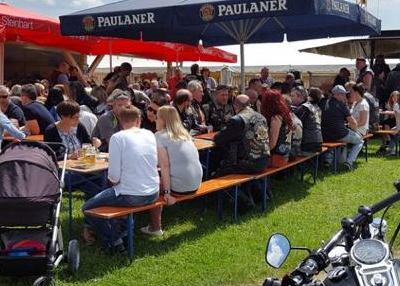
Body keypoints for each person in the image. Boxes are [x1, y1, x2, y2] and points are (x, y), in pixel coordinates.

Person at [82, 105, 160, 253]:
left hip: (133, 195)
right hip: (154, 192)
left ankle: (114, 240)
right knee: (117, 196)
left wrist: (114, 185)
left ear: (120, 120)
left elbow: (114, 176)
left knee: (87, 208)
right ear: (138, 119)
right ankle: (123, 234)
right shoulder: (149, 134)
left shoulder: (118, 138)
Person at [141, 105, 203, 236]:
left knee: (152, 183)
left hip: (181, 187)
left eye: (157, 118)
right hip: (196, 183)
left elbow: (164, 166)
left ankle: (155, 227)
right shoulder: (184, 134)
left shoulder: (159, 136)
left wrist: (167, 192)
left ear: (164, 120)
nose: (155, 120)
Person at [43, 101, 104, 199]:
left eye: (78, 117)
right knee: (94, 186)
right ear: (63, 116)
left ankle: (99, 205)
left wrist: (96, 144)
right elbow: (50, 156)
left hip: (82, 167)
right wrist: (69, 156)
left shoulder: (79, 127)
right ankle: (93, 206)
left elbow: (88, 144)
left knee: (102, 180)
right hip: (62, 171)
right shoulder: (51, 131)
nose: (77, 120)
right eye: (74, 118)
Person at [212, 94, 270, 177]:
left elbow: (218, 139)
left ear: (235, 106)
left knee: (215, 174)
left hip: (247, 163)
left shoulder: (238, 120)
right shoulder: (261, 117)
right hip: (264, 161)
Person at [320, 85, 363, 171]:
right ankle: (349, 162)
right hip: (339, 134)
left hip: (325, 135)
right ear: (337, 94)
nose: (345, 96)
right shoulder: (341, 105)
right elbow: (352, 122)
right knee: (360, 141)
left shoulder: (323, 103)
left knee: (337, 139)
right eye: (343, 94)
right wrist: (357, 132)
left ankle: (328, 161)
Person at [260, 90, 293, 167]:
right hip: (284, 154)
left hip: (276, 158)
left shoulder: (276, 118)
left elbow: (272, 144)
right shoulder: (286, 114)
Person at [290, 87, 322, 155]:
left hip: (307, 146)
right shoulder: (315, 107)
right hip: (318, 143)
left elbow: (294, 126)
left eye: (292, 96)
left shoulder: (303, 108)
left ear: (301, 97)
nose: (290, 98)